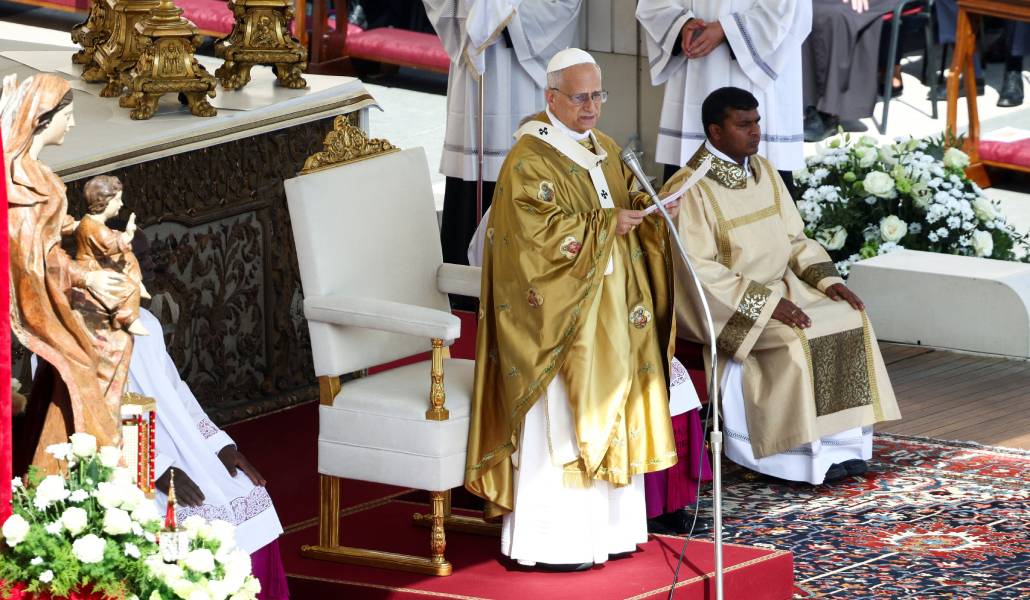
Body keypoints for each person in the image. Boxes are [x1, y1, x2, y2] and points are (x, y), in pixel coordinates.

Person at [464, 48, 680, 570]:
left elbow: (624, 203)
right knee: (563, 417)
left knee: (615, 402)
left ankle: (610, 532)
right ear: (551, 97)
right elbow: (528, 237)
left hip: (611, 306)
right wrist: (607, 226)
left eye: (597, 95)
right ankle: (554, 542)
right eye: (580, 97)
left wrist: (653, 211)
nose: (591, 107)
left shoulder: (604, 147)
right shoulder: (530, 157)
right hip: (557, 318)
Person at [664, 87, 901, 485]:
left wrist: (828, 280)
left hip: (785, 286)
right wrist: (765, 304)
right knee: (797, 339)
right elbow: (694, 270)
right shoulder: (690, 188)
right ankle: (789, 458)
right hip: (734, 302)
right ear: (715, 132)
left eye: (757, 122)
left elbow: (795, 240)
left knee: (850, 319)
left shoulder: (765, 171)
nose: (755, 132)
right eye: (743, 125)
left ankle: (841, 448)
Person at [2, 74, 133, 472]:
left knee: (81, 362)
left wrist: (89, 229)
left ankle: (54, 464)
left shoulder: (39, 177)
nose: (72, 124)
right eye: (68, 115)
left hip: (54, 285)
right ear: (45, 118)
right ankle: (95, 461)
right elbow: (31, 257)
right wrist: (86, 278)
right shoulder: (23, 185)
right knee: (82, 362)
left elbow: (51, 233)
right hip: (35, 294)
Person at [129, 307, 288, 599]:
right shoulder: (73, 331)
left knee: (247, 494)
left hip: (178, 443)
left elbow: (175, 391)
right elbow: (87, 419)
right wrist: (154, 468)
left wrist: (220, 445)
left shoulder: (143, 319)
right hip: (126, 461)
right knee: (185, 523)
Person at [423, 0, 581, 275]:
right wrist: (478, 10)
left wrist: (504, 13)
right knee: (468, 201)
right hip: (475, 84)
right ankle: (460, 293)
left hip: (524, 74)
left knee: (528, 171)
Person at [636, 0, 810, 192]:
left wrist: (727, 30)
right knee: (687, 201)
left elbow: (785, 10)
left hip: (754, 78)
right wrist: (681, 25)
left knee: (762, 199)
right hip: (695, 72)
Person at [76, 175, 150, 336]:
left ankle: (138, 283)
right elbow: (109, 244)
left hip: (103, 259)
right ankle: (127, 318)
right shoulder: (91, 225)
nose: (121, 204)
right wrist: (127, 235)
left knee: (129, 259)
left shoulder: (95, 225)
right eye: (117, 200)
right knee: (125, 285)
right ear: (103, 201)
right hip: (92, 266)